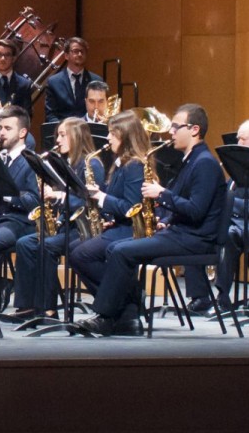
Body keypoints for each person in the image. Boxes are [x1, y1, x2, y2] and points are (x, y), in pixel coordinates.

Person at [78, 103, 226, 337]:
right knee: (118, 247)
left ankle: (107, 317)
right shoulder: (190, 160)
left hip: (195, 239)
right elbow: (184, 203)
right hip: (180, 233)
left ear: (195, 129)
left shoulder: (205, 162)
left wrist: (162, 194)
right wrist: (165, 219)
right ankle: (122, 313)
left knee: (121, 250)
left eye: (176, 127)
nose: (171, 132)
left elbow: (197, 210)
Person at [184, 119, 249, 314]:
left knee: (228, 233)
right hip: (241, 223)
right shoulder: (241, 167)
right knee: (194, 229)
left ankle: (222, 298)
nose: (237, 144)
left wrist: (229, 205)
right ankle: (200, 296)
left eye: (241, 139)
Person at [12, 117, 106, 318]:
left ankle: (48, 307)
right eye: (58, 135)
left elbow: (86, 202)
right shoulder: (64, 162)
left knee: (46, 246)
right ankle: (27, 305)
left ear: (77, 137)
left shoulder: (91, 164)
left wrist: (58, 196)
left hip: (84, 228)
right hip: (67, 226)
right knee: (25, 243)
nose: (58, 140)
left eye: (63, 135)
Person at [66, 110, 148, 317]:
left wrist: (100, 197)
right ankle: (124, 303)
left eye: (113, 133)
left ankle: (122, 301)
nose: (108, 137)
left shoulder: (134, 165)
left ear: (126, 136)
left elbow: (132, 207)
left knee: (81, 254)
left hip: (132, 231)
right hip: (119, 226)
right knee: (75, 248)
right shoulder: (120, 164)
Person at [0, 105, 40, 301]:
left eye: (8, 129)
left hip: (22, 223)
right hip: (2, 220)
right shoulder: (1, 159)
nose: (2, 134)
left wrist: (6, 195)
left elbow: (34, 201)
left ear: (23, 132)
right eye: (1, 128)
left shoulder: (31, 161)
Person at [43, 38, 103, 124]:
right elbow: (51, 115)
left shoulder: (96, 81)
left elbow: (99, 110)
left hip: (88, 131)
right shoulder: (53, 82)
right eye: (75, 51)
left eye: (82, 51)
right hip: (62, 130)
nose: (79, 54)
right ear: (66, 55)